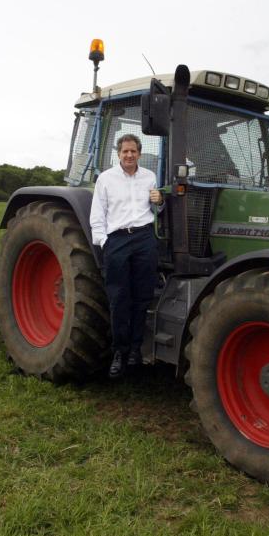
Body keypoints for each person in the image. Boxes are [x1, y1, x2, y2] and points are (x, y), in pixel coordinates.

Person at [90, 133, 163, 379]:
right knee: (119, 298)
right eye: (125, 152)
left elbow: (156, 206)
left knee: (142, 297)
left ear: (139, 154)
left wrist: (160, 200)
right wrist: (105, 241)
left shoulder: (149, 177)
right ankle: (119, 353)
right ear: (118, 154)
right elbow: (97, 214)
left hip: (144, 238)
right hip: (118, 240)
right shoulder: (106, 179)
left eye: (133, 151)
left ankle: (135, 349)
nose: (129, 155)